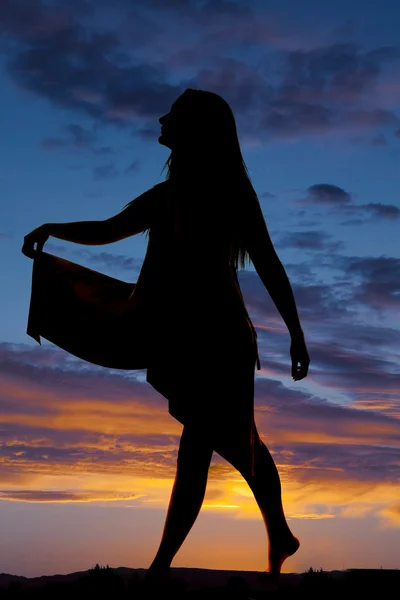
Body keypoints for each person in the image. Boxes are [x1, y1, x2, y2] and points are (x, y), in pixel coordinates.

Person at [22, 89, 310, 582]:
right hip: (193, 337)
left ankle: (161, 569)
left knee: (201, 447)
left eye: (173, 115)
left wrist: (296, 334)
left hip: (220, 339)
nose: (162, 119)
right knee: (238, 443)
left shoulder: (227, 195)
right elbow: (109, 229)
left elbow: (269, 263)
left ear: (193, 129)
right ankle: (278, 533)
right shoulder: (171, 196)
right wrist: (54, 228)